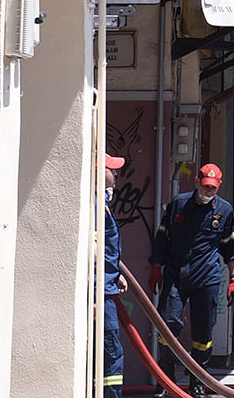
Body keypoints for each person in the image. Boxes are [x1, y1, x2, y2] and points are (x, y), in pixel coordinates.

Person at [150, 163, 234, 397]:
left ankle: (197, 380)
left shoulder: (224, 210)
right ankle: (166, 378)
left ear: (218, 186)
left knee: (203, 333)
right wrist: (156, 267)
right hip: (176, 275)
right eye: (205, 186)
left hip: (206, 277)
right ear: (196, 183)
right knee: (167, 325)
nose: (208, 191)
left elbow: (231, 249)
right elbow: (162, 238)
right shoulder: (179, 204)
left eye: (213, 188)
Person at [103, 152, 127, 398]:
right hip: (101, 292)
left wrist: (116, 272)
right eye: (113, 169)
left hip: (106, 286)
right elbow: (95, 251)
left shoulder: (103, 204)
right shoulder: (97, 205)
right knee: (112, 353)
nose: (117, 174)